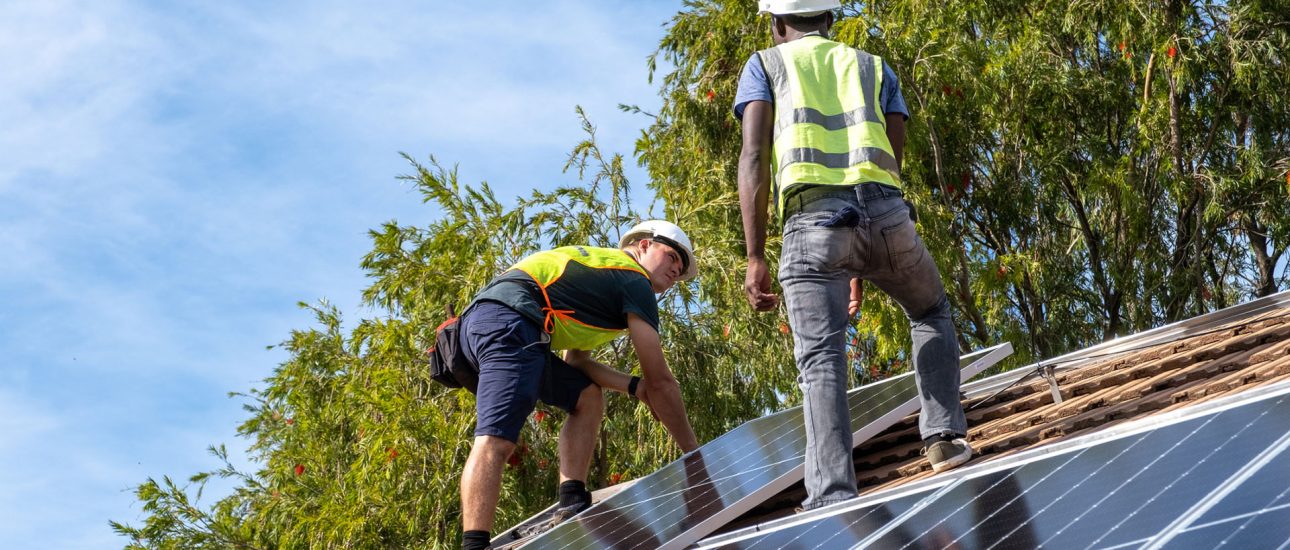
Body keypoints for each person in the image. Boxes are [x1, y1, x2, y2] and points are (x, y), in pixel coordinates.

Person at [734, 0, 972, 512]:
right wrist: (870, 243)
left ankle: (832, 493)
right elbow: (895, 143)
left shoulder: (765, 64)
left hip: (814, 223)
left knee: (822, 357)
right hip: (887, 215)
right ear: (830, 20)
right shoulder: (871, 65)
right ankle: (945, 438)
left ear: (777, 24)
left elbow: (753, 156)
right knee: (930, 311)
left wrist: (755, 255)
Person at [457, 220, 701, 550]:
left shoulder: (602, 276)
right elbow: (662, 383)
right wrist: (698, 460)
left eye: (682, 267)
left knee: (586, 395)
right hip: (511, 324)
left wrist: (633, 387)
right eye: (672, 257)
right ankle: (475, 545)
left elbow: (578, 364)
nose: (676, 270)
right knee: (496, 440)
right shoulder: (634, 280)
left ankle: (571, 498)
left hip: (502, 325)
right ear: (643, 246)